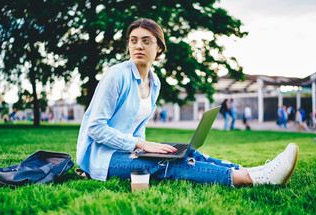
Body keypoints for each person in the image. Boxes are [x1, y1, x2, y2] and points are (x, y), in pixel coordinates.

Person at [76, 18, 299, 187]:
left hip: (127, 152)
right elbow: (95, 128)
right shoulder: (116, 76)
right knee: (170, 164)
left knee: (185, 153)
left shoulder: (154, 83)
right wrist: (141, 146)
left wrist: (142, 150)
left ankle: (256, 170)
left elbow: (138, 127)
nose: (138, 46)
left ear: (159, 48)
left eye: (146, 41)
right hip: (102, 158)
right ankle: (251, 178)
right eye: (133, 41)